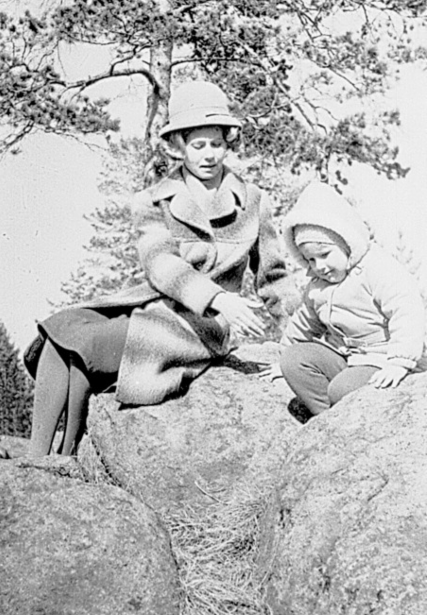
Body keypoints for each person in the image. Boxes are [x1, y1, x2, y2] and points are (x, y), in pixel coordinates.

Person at [24, 80, 299, 456]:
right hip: (156, 303)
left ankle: (57, 456)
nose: (209, 155)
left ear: (227, 143)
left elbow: (275, 278)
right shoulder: (152, 201)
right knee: (63, 327)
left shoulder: (252, 202)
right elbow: (159, 263)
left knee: (85, 343)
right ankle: (45, 456)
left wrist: (298, 338)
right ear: (179, 146)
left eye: (216, 144)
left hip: (202, 325)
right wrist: (217, 297)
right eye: (198, 145)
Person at [265, 181, 427, 417]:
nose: (319, 266)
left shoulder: (378, 269)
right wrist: (282, 362)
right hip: (349, 357)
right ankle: (329, 421)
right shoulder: (317, 286)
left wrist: (400, 362)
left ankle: (351, 418)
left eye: (325, 254)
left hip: (386, 359)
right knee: (294, 360)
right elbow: (303, 324)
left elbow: (407, 312)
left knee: (342, 389)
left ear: (346, 243)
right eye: (310, 260)